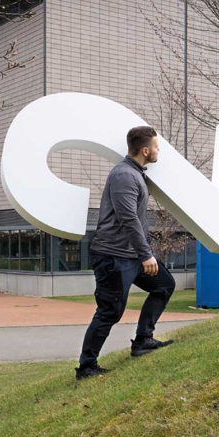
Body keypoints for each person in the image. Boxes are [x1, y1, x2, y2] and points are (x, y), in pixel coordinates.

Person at [75, 126, 176, 380]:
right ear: (145, 150)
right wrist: (146, 254)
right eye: (156, 146)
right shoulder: (124, 176)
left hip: (131, 255)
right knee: (110, 311)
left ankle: (143, 339)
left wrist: (142, 253)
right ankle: (87, 367)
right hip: (113, 257)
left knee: (164, 285)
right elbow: (128, 219)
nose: (158, 150)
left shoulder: (135, 174)